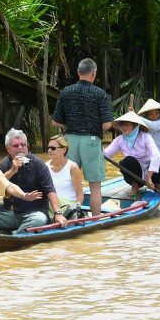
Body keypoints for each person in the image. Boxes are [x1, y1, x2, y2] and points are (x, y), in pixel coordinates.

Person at [52, 58, 113, 216]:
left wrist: (68, 126)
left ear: (78, 72)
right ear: (94, 73)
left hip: (69, 141)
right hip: (91, 141)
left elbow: (55, 121)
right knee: (95, 187)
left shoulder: (66, 92)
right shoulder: (100, 94)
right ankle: (95, 220)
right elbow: (107, 125)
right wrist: (94, 128)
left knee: (68, 182)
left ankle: (64, 215)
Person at [0, 129, 67, 234]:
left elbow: (50, 190)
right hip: (12, 214)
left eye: (23, 145)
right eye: (15, 146)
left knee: (39, 220)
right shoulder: (4, 164)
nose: (20, 148)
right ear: (8, 149)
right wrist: (12, 171)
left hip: (35, 213)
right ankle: (15, 232)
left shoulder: (38, 164)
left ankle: (15, 236)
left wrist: (58, 213)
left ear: (27, 146)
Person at [104, 111, 160, 195]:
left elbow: (156, 155)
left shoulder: (146, 137)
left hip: (151, 170)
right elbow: (107, 154)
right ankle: (134, 185)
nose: (124, 127)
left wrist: (149, 176)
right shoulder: (119, 140)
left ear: (135, 126)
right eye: (122, 125)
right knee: (126, 161)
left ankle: (157, 184)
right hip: (135, 172)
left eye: (127, 125)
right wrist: (98, 149)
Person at [45, 134, 84, 217]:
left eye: (53, 148)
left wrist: (76, 209)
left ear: (64, 149)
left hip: (67, 205)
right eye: (48, 148)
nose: (49, 150)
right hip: (51, 202)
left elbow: (80, 193)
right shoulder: (45, 166)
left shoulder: (72, 167)